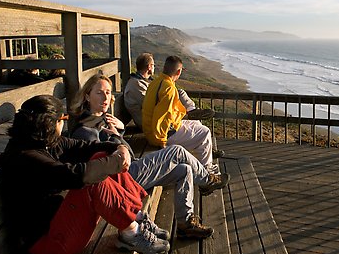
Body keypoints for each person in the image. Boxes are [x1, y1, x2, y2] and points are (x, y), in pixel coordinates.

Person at [0, 95, 170, 254]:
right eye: (63, 119)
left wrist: (118, 147)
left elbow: (88, 147)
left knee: (100, 157)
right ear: (52, 123)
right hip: (48, 245)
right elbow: (77, 176)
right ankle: (131, 233)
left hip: (59, 224)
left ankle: (136, 217)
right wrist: (116, 160)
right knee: (93, 179)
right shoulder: (25, 156)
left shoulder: (43, 141)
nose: (64, 124)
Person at [69, 73, 231, 240]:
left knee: (185, 170)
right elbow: (101, 164)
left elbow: (118, 147)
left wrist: (120, 130)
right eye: (99, 92)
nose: (105, 97)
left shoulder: (103, 119)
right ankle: (207, 181)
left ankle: (186, 223)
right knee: (177, 151)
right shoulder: (86, 130)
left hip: (131, 169)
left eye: (109, 92)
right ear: (87, 95)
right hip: (122, 179)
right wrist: (118, 137)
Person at [124, 53, 223, 157]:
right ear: (179, 72)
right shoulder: (140, 85)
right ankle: (207, 170)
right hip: (155, 130)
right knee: (205, 132)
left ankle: (206, 149)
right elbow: (161, 115)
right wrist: (162, 142)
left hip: (155, 126)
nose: (154, 67)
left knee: (197, 123)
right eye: (153, 65)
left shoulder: (154, 82)